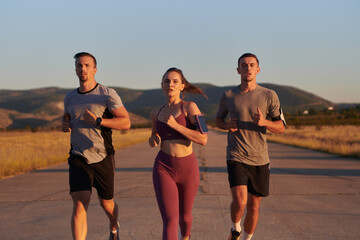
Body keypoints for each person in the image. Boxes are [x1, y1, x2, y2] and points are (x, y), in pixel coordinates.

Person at [215, 53, 286, 240]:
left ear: (258, 69)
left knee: (254, 206)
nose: (248, 69)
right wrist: (226, 126)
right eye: (244, 65)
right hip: (236, 155)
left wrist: (265, 122)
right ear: (238, 69)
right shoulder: (228, 95)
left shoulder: (269, 95)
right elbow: (218, 121)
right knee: (240, 201)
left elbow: (281, 127)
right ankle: (235, 228)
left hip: (260, 159)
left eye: (251, 65)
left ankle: (246, 238)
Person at [62, 52, 131, 240]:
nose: (82, 69)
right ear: (75, 70)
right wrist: (65, 123)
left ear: (95, 69)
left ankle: (113, 226)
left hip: (102, 156)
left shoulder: (107, 94)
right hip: (78, 156)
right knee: (79, 203)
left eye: (86, 65)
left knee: (107, 204)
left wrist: (99, 121)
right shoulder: (69, 98)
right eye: (79, 65)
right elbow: (67, 118)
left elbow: (125, 122)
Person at [149, 67, 208, 240]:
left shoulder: (190, 107)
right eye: (167, 81)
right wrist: (154, 139)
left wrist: (177, 126)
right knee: (170, 220)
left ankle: (186, 237)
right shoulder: (156, 112)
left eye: (175, 81)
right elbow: (155, 134)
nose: (170, 84)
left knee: (185, 217)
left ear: (182, 86)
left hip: (188, 168)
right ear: (162, 85)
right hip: (163, 167)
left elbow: (203, 139)